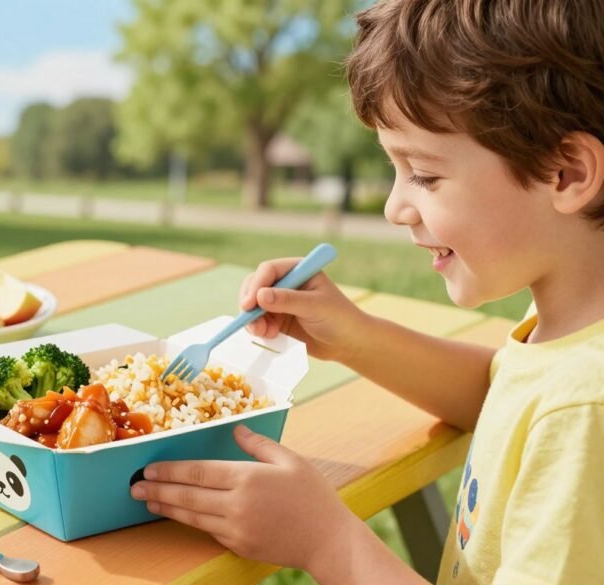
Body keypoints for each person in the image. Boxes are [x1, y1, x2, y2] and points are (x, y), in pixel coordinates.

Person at [130, 1, 604, 582]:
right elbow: (503, 394)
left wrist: (327, 543)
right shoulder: (572, 320)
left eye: (424, 174)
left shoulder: (587, 412)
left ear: (567, 174)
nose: (394, 206)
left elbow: (557, 414)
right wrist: (354, 336)